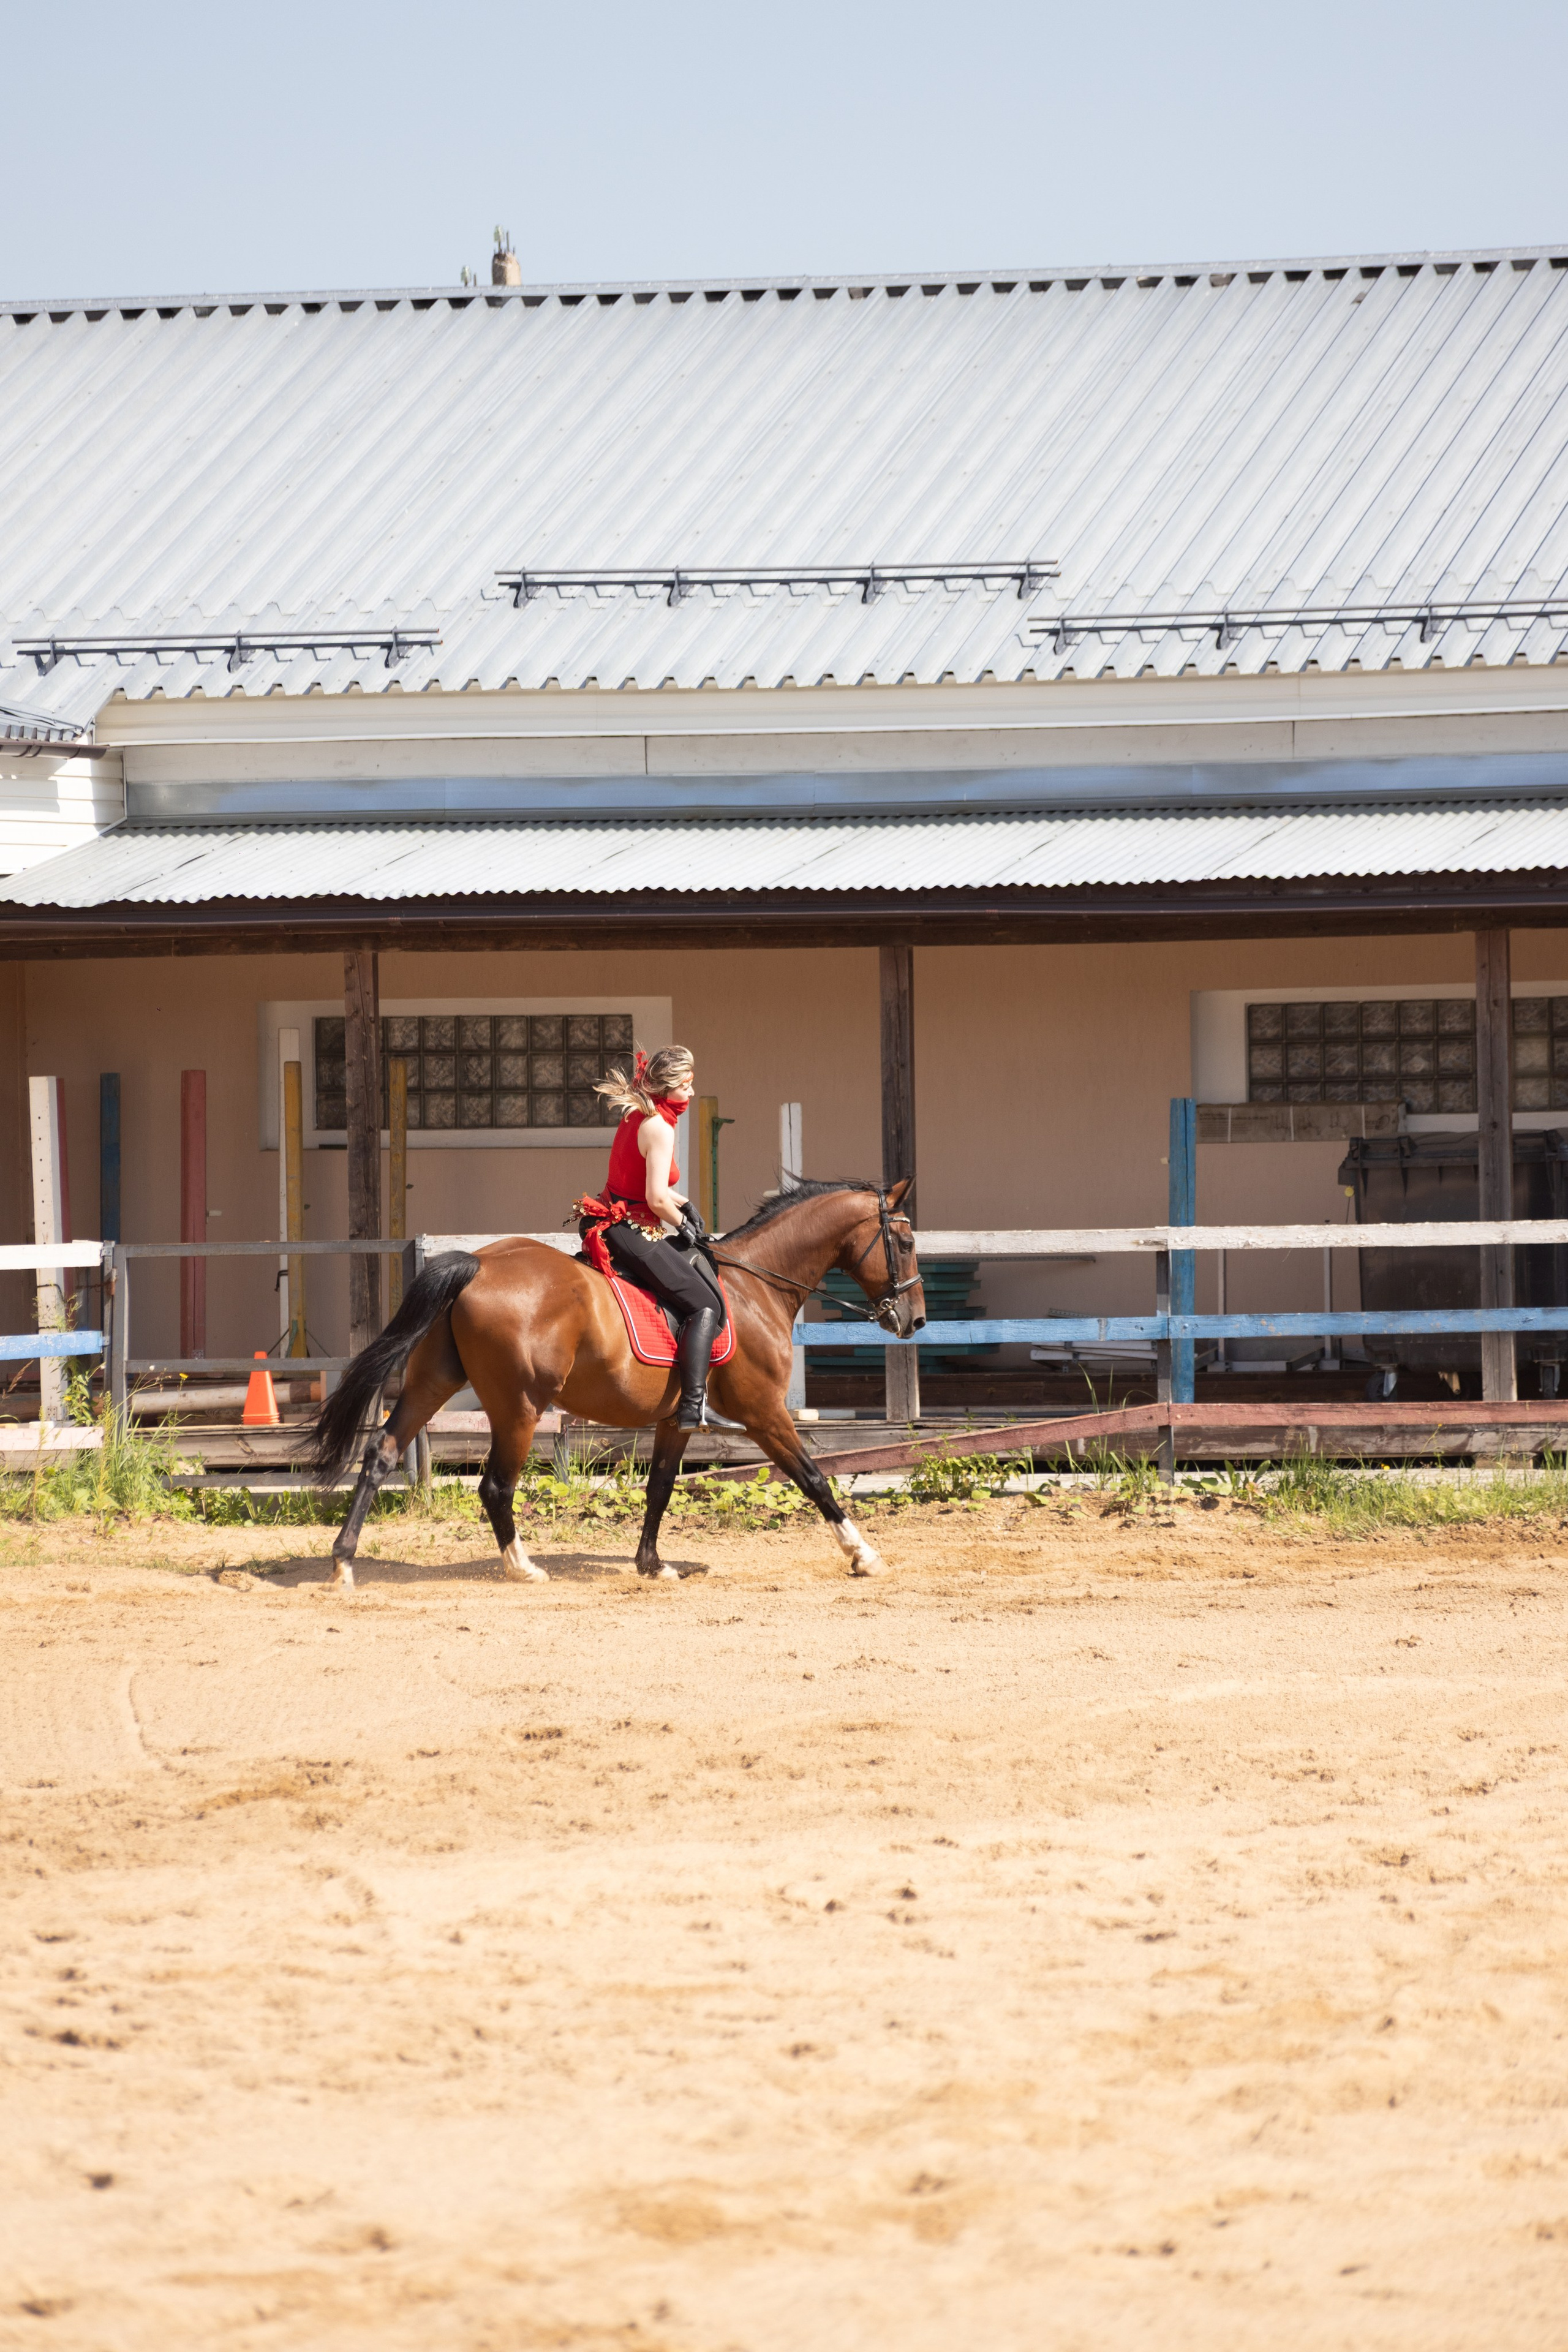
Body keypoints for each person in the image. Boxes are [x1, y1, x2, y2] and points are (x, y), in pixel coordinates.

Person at [587, 1045, 726, 1428]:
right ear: (667, 1088)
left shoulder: (638, 1114)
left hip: (614, 1218)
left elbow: (638, 1185)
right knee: (703, 1305)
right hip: (633, 1231)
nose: (692, 1093)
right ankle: (692, 1406)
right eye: (686, 1085)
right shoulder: (660, 1128)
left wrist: (685, 1203)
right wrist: (682, 1224)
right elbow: (654, 1198)